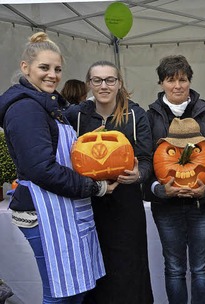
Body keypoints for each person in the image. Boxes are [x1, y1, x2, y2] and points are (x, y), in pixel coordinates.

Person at [0, 32, 115, 303]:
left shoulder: (48, 105)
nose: (52, 75)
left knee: (76, 290)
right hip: (44, 213)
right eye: (44, 67)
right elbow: (41, 169)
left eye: (57, 69)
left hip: (63, 210)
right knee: (59, 294)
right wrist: (94, 187)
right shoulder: (25, 109)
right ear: (25, 68)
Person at [64, 60, 153, 303]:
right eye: (97, 80)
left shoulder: (136, 116)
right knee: (93, 263)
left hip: (126, 201)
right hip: (88, 202)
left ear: (119, 83)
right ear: (89, 84)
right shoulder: (76, 115)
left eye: (110, 80)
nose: (104, 86)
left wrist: (139, 174)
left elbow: (147, 159)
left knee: (129, 265)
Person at [144, 55, 205, 304]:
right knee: (174, 267)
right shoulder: (150, 117)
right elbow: (145, 160)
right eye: (171, 80)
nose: (177, 86)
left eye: (183, 79)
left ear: (190, 81)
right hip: (166, 206)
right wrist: (158, 190)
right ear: (161, 83)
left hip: (202, 206)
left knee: (201, 267)